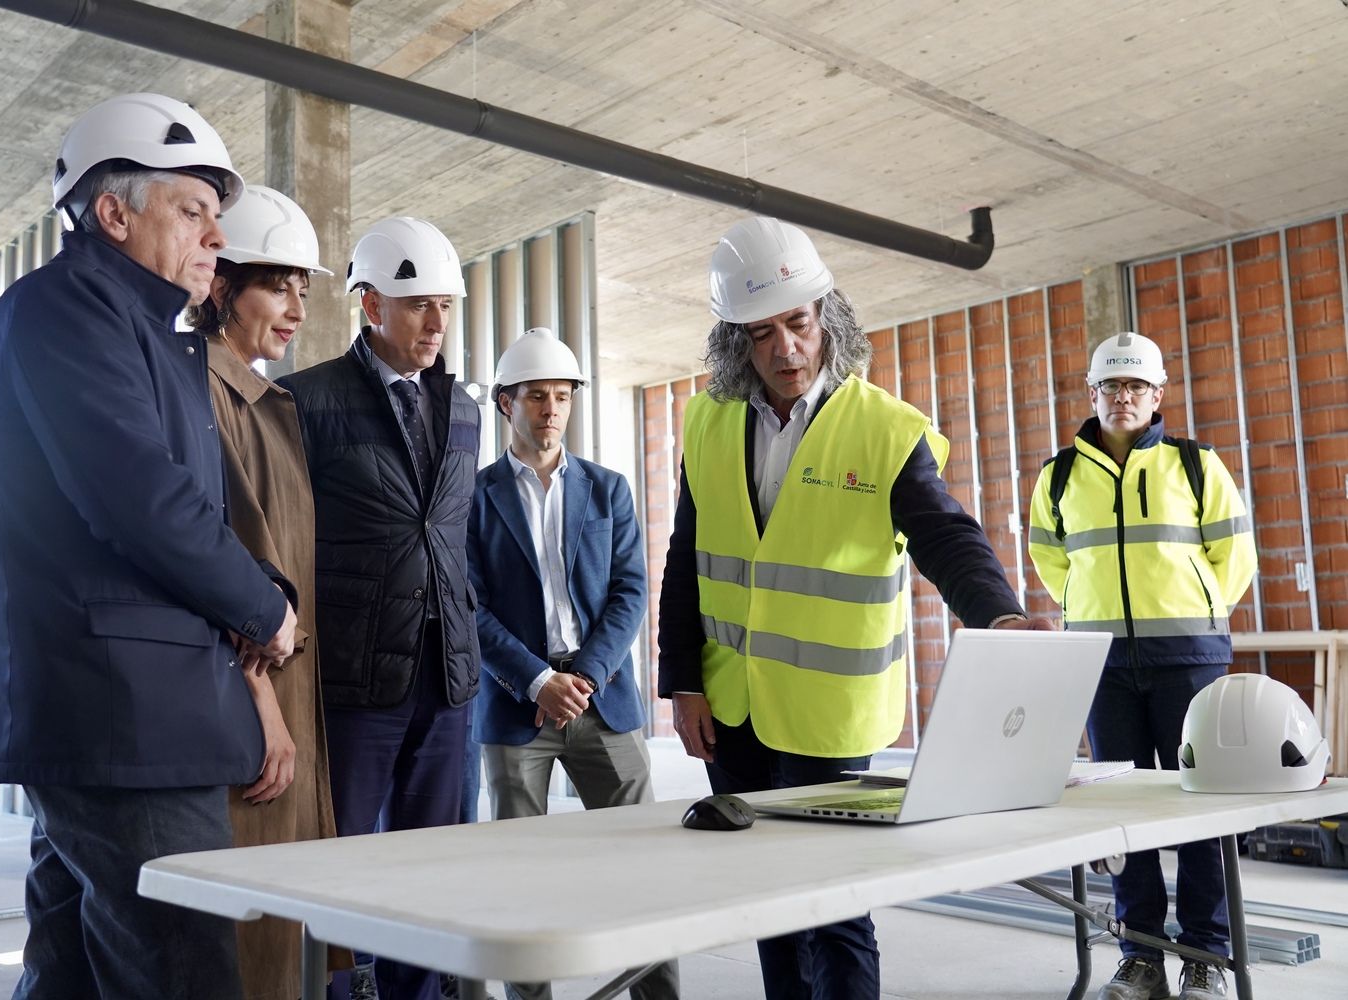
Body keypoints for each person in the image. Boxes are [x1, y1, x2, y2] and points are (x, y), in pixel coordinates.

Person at [0, 93, 298, 1000]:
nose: (217, 236)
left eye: (217, 216)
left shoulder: (135, 329)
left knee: (72, 971)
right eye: (193, 210)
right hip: (120, 717)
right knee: (181, 970)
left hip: (127, 712)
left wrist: (263, 583)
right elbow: (140, 502)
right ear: (113, 213)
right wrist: (266, 609)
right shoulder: (66, 313)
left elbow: (178, 506)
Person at [657, 216, 1050, 1000]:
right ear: (736, 342)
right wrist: (683, 681)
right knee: (768, 900)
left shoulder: (884, 430)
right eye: (761, 334)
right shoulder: (707, 421)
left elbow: (946, 536)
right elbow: (685, 558)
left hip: (828, 715)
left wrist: (1000, 616)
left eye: (798, 324)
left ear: (826, 317)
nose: (786, 350)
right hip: (732, 709)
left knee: (836, 910)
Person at [279, 217, 481, 1000]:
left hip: (446, 679)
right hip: (354, 681)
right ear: (371, 306)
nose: (436, 323)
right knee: (338, 864)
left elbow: (452, 536)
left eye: (445, 306)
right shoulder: (307, 400)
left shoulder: (464, 410)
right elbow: (286, 538)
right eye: (419, 304)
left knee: (430, 870)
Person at [1028, 331, 1257, 1000]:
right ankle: (1142, 956)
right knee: (1121, 814)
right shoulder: (1058, 475)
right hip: (1101, 664)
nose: (1122, 397)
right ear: (1092, 393)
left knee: (1200, 807)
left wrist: (1197, 608)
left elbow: (1235, 555)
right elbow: (1051, 559)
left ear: (1157, 395)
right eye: (1111, 385)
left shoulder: (1196, 465)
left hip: (1188, 658)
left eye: (1136, 386)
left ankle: (1206, 957)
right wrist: (1089, 610)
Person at [467, 327, 680, 1000]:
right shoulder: (473, 497)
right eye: (537, 396)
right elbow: (468, 606)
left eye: (562, 397)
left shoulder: (608, 489)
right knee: (520, 878)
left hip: (601, 700)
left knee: (644, 867)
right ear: (507, 403)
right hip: (517, 705)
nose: (551, 410)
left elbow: (631, 591)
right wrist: (537, 680)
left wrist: (583, 677)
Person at [187, 183, 341, 1000]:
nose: (296, 311)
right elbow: (224, 568)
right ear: (222, 287)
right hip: (248, 708)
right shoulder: (201, 392)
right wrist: (266, 713)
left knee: (283, 930)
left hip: (286, 698)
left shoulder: (267, 400)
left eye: (302, 291)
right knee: (250, 941)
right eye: (278, 288)